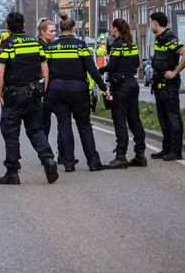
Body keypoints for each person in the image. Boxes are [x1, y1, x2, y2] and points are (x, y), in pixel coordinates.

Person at [0, 11, 58, 185]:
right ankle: (48, 160)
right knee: (36, 130)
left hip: (14, 95)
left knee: (11, 133)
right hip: (34, 94)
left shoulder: (7, 44)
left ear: (8, 27)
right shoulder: (35, 43)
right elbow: (45, 71)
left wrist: (0, 95)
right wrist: (42, 92)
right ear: (23, 25)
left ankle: (12, 172)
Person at [45, 13, 108, 173]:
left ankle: (68, 163)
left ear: (60, 29)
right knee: (84, 125)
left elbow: (45, 70)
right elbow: (92, 69)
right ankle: (93, 162)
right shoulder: (80, 46)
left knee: (64, 125)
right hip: (78, 90)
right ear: (74, 28)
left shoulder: (52, 46)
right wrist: (104, 88)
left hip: (57, 90)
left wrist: (46, 91)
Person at [101, 18, 147, 168]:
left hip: (120, 87)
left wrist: (99, 70)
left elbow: (111, 65)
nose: (110, 29)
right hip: (132, 85)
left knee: (120, 120)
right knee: (134, 119)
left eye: (111, 27)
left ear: (116, 29)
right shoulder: (131, 44)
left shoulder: (117, 44)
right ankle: (140, 154)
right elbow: (136, 64)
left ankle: (121, 156)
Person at [149, 11, 185, 160]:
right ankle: (166, 148)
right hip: (159, 82)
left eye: (151, 22)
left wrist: (175, 71)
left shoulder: (169, 37)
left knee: (173, 116)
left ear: (156, 23)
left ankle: (176, 151)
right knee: (163, 116)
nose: (150, 25)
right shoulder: (159, 38)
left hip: (169, 83)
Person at [37, 18, 64, 162]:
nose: (54, 34)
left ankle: (62, 154)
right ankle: (45, 155)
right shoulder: (39, 47)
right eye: (51, 31)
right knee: (44, 124)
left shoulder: (50, 45)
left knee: (61, 121)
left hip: (53, 88)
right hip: (45, 90)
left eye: (55, 31)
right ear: (43, 32)